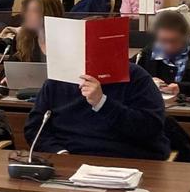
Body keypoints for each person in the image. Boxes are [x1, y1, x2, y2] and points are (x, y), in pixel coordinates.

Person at [26, 65, 169, 160]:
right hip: (70, 159)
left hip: (126, 160)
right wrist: (59, 152)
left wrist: (102, 103)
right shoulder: (57, 80)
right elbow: (35, 129)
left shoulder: (136, 76)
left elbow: (151, 127)